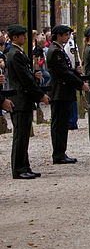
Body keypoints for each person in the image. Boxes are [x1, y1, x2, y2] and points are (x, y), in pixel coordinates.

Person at [6, 24, 50, 179]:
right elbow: (24, 79)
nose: (25, 38)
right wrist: (40, 95)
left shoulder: (17, 52)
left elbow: (26, 76)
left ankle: (24, 165)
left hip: (22, 99)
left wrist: (34, 76)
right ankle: (19, 168)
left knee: (24, 135)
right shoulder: (15, 54)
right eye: (22, 36)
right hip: (20, 99)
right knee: (20, 136)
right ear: (15, 37)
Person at [46, 25, 89, 164]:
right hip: (60, 92)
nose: (68, 37)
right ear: (58, 36)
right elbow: (63, 73)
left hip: (63, 91)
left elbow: (66, 70)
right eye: (65, 35)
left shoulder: (59, 49)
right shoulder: (55, 51)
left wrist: (74, 70)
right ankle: (58, 153)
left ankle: (61, 152)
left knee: (62, 123)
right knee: (59, 124)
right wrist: (80, 84)